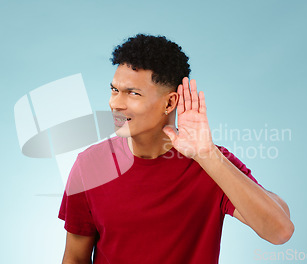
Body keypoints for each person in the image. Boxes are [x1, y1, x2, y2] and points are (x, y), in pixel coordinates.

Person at [58, 34, 294, 264]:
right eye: (114, 90)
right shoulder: (90, 165)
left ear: (170, 103)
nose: (116, 104)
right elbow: (74, 258)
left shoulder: (211, 163)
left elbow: (279, 231)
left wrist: (207, 156)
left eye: (133, 93)